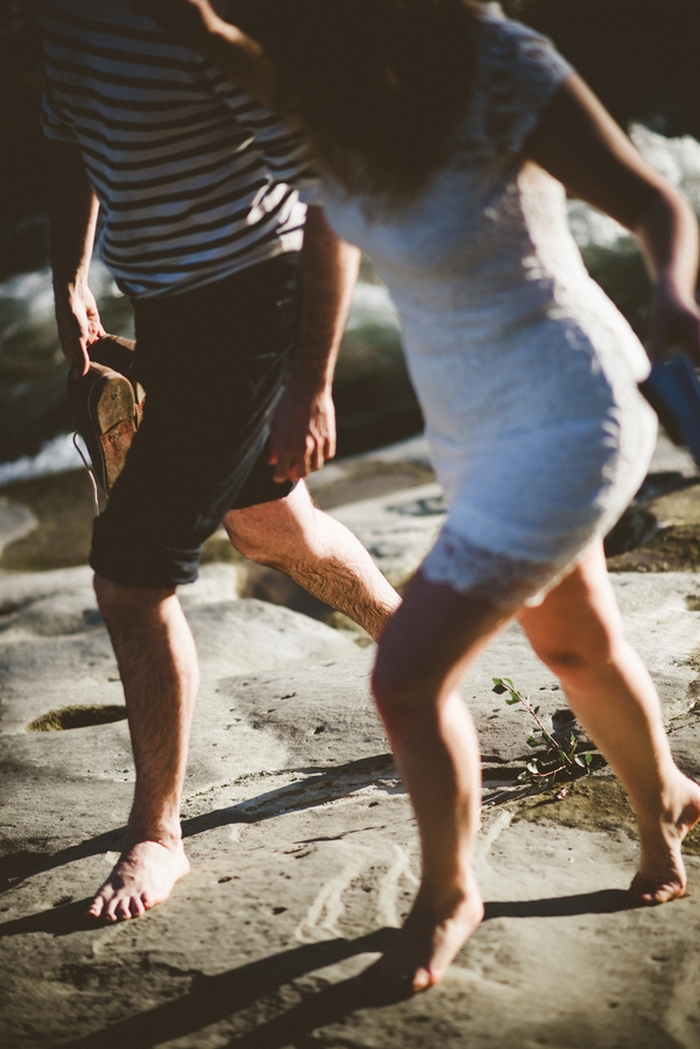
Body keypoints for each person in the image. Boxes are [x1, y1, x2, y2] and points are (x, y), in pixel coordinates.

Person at [142, 0, 700, 994]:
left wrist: (673, 295)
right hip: (472, 425)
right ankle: (663, 802)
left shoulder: (500, 65)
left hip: (571, 406)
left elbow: (655, 200)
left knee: (405, 673)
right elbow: (323, 221)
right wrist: (306, 382)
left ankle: (448, 891)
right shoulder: (328, 87)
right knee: (572, 639)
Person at [38, 0, 401, 925]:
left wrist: (310, 380)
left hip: (257, 301)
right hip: (168, 307)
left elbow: (332, 185)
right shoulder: (60, 18)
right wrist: (70, 276)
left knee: (130, 574)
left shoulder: (196, 22)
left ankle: (158, 834)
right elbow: (74, 139)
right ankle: (416, 648)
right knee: (271, 524)